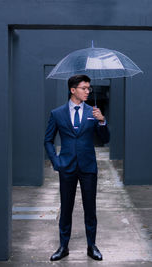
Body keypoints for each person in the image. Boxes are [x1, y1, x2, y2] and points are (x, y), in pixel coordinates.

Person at [44, 75, 110, 261]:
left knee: (90, 209)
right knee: (66, 208)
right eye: (84, 88)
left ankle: (92, 246)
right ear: (73, 90)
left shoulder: (93, 112)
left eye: (89, 88)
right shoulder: (57, 113)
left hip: (88, 167)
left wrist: (102, 121)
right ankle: (63, 247)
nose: (88, 91)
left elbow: (105, 140)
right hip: (66, 167)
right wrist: (56, 161)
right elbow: (48, 140)